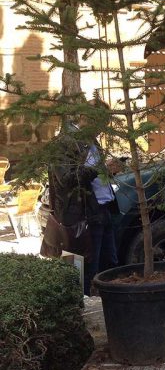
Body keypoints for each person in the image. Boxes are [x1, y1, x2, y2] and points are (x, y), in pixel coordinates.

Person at [49, 109, 119, 296]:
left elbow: (94, 173)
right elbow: (66, 179)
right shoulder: (64, 144)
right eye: (101, 125)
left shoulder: (91, 141)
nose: (102, 130)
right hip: (84, 215)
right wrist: (98, 169)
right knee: (85, 270)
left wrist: (109, 170)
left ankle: (107, 307)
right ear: (87, 119)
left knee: (110, 265)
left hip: (103, 210)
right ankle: (82, 310)